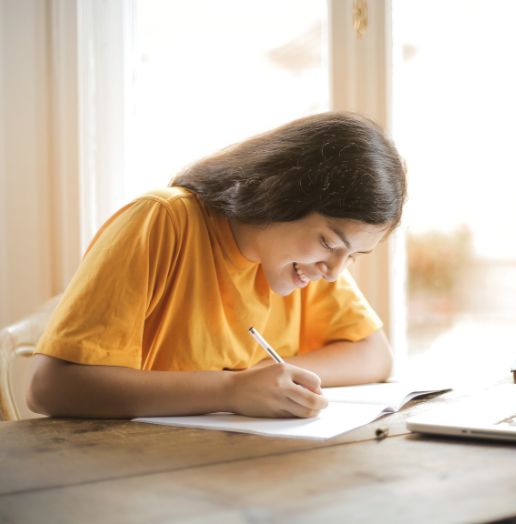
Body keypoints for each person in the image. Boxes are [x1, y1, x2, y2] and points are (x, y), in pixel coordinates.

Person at [28, 111, 406, 420]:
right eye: (329, 243)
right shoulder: (162, 221)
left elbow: (375, 354)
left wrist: (271, 378)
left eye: (352, 256)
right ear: (281, 194)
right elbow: (50, 388)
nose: (335, 271)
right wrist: (231, 390)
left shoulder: (307, 264)